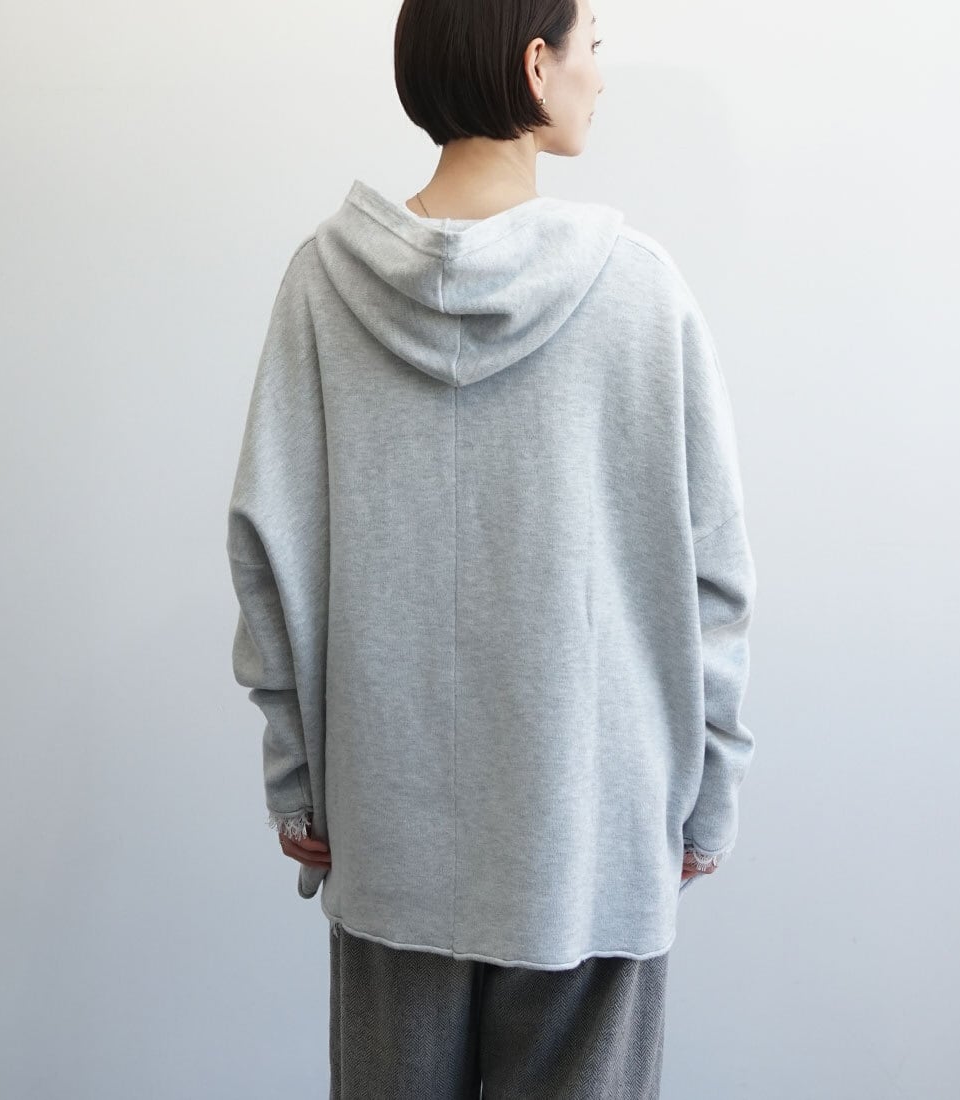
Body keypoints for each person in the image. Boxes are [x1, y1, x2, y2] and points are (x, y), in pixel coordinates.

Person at [226, 0, 757, 1094]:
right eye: (592, 46)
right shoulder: (638, 290)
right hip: (591, 831)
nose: (600, 74)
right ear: (535, 63)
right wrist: (709, 793)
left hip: (389, 830)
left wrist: (299, 781)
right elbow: (714, 572)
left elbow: (268, 553)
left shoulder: (323, 285)